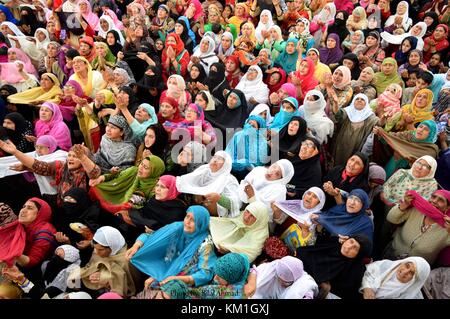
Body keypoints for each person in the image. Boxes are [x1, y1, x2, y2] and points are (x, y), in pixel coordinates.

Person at [128, 205, 217, 288]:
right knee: (130, 261)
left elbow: (205, 273)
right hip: (165, 264)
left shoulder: (205, 244)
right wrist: (136, 245)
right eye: (187, 216)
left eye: (193, 220)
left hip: (184, 276)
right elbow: (152, 236)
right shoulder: (177, 227)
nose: (187, 222)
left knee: (155, 287)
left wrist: (176, 278)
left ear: (201, 224)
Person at [383, 190, 450, 265]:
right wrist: (404, 204)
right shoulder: (417, 210)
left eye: (441, 200)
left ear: (447, 207)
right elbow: (391, 218)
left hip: (415, 268)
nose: (434, 201)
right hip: (392, 253)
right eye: (433, 197)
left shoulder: (447, 228)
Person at [297, 234, 372, 299]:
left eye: (355, 248)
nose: (349, 247)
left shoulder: (355, 272)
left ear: (358, 255)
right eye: (351, 241)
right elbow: (307, 252)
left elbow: (343, 292)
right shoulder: (334, 244)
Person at [68, 226, 135, 297]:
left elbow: (130, 288)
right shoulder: (102, 248)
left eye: (100, 250)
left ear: (112, 246)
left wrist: (106, 280)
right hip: (89, 284)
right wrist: (93, 273)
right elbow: (92, 265)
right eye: (94, 248)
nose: (96, 252)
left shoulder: (127, 261)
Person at [89, 155, 165, 213]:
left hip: (131, 210)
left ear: (154, 172)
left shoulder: (155, 187)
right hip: (119, 194)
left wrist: (132, 206)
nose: (140, 168)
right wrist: (102, 178)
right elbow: (117, 175)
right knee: (96, 187)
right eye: (141, 164)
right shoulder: (133, 170)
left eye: (146, 167)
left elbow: (148, 208)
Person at [176, 151, 241, 218]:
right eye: (214, 157)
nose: (215, 160)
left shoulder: (229, 180)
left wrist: (219, 199)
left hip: (215, 216)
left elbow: (237, 203)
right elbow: (184, 181)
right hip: (194, 209)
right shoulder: (203, 170)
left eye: (220, 159)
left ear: (226, 165)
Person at [118, 175, 187, 233]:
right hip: (141, 226)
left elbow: (170, 233)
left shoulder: (178, 211)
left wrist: (154, 232)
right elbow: (143, 212)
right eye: (157, 185)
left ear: (173, 190)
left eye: (162, 187)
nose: (157, 189)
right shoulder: (154, 199)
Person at [329, 94, 379, 167]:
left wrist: (384, 118)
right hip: (341, 145)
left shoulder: (369, 116)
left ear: (366, 103)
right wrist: (336, 103)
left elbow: (379, 123)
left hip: (356, 147)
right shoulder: (348, 111)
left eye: (362, 99)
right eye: (357, 99)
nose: (359, 100)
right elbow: (338, 114)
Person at [360, 257, 431, 299]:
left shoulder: (413, 296)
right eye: (407, 266)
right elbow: (366, 273)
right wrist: (367, 287)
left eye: (412, 273)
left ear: (415, 280)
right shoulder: (385, 265)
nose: (405, 272)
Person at [250, 256, 318, 299]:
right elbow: (257, 271)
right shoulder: (275, 267)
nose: (280, 282)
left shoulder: (304, 286)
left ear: (294, 279)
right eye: (278, 277)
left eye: (285, 282)